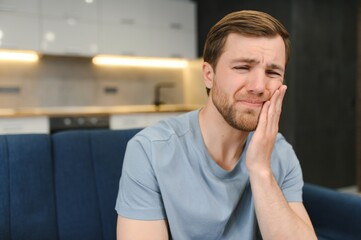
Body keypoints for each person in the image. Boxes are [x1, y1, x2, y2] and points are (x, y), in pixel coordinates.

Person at [115, 10, 317, 240]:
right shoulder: (149, 150)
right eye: (242, 67)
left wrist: (260, 170)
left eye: (272, 72)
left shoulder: (280, 153)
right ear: (209, 75)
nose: (259, 86)